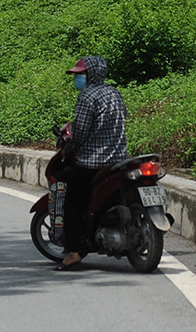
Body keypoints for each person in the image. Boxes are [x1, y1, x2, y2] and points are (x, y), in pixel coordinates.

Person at [55, 55, 127, 271]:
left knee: (72, 203)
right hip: (119, 160)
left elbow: (80, 132)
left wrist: (67, 149)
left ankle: (74, 251)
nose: (77, 78)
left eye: (80, 74)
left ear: (92, 74)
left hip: (93, 161)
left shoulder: (87, 97)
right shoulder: (114, 93)